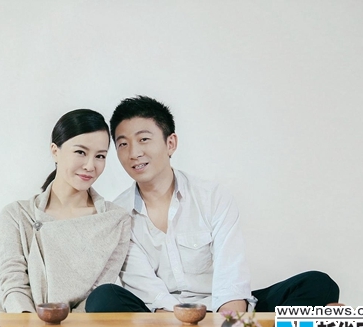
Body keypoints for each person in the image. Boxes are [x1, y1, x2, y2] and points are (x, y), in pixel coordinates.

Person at [85, 96, 339, 313]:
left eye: (143, 139)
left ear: (170, 143)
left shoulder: (211, 197)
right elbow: (149, 291)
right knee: (103, 298)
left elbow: (231, 272)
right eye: (123, 144)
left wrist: (230, 321)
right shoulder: (118, 215)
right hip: (159, 317)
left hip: (220, 308)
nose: (134, 153)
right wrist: (182, 321)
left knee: (318, 284)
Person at [0, 109, 131, 313]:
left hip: (81, 326)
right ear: (55, 151)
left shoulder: (115, 220)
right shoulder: (18, 214)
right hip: (17, 319)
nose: (90, 166)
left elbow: (97, 295)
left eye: (100, 156)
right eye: (80, 152)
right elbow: (14, 284)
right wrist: (29, 323)